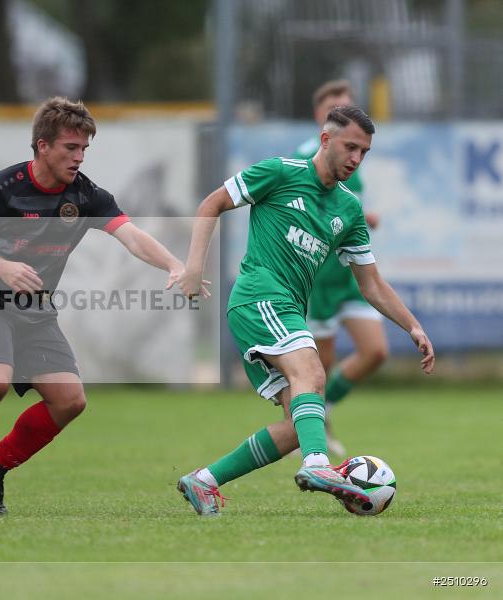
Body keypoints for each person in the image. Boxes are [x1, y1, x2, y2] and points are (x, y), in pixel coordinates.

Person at [0, 96, 193, 517]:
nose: (79, 158)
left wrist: (174, 265)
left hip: (35, 313)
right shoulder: (3, 188)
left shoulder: (86, 195)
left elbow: (131, 235)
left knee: (70, 401)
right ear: (43, 146)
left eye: (84, 149)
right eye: (70, 148)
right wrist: (3, 267)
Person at [175, 105, 434, 516]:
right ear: (325, 140)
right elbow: (212, 203)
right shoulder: (280, 172)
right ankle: (318, 465)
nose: (356, 158)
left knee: (299, 424)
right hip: (259, 297)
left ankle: (204, 480)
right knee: (312, 374)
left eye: (364, 152)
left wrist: (412, 326)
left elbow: (371, 283)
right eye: (350, 147)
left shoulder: (348, 209)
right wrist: (193, 268)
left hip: (283, 307)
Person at [293, 80, 389, 455]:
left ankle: (324, 408)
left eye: (349, 105)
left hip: (349, 275)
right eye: (336, 107)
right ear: (321, 115)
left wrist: (364, 219)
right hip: (319, 277)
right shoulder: (306, 155)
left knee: (375, 351)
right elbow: (306, 209)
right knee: (322, 363)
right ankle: (309, 433)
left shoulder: (353, 158)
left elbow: (345, 209)